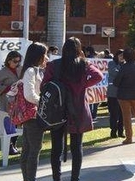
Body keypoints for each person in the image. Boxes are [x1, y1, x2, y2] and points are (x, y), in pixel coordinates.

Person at [43, 37, 103, 181]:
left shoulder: (53, 65)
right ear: (79, 50)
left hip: (57, 110)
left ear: (63, 49)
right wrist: (83, 85)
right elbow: (99, 76)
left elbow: (44, 86)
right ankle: (75, 178)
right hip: (78, 109)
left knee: (56, 148)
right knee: (77, 147)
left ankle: (56, 178)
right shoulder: (84, 64)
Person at [18, 42, 48, 181]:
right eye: (45, 55)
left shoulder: (33, 70)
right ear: (38, 56)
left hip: (32, 115)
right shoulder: (30, 71)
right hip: (33, 115)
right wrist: (43, 101)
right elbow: (29, 95)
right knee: (33, 150)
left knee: (28, 149)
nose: (47, 58)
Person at [0, 50, 23, 155]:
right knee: (9, 124)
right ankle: (9, 147)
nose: (17, 63)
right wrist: (8, 87)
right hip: (7, 102)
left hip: (19, 102)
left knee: (18, 123)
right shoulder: (3, 72)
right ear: (9, 60)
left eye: (19, 61)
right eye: (15, 61)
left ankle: (13, 145)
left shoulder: (20, 69)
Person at [106, 49, 124, 138]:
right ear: (116, 56)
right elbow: (114, 73)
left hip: (123, 93)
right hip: (113, 93)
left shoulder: (125, 65)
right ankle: (113, 131)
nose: (122, 57)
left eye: (123, 56)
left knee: (122, 114)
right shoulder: (111, 63)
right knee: (114, 113)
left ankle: (121, 131)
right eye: (120, 55)